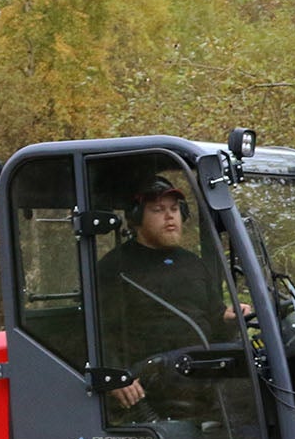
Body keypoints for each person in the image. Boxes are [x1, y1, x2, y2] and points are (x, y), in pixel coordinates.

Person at [96, 175, 237, 412]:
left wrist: (228, 317)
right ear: (136, 217)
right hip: (153, 377)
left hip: (200, 367)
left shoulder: (193, 264)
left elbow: (214, 317)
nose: (170, 216)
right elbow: (97, 331)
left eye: (174, 209)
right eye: (158, 210)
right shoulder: (115, 267)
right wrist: (114, 375)